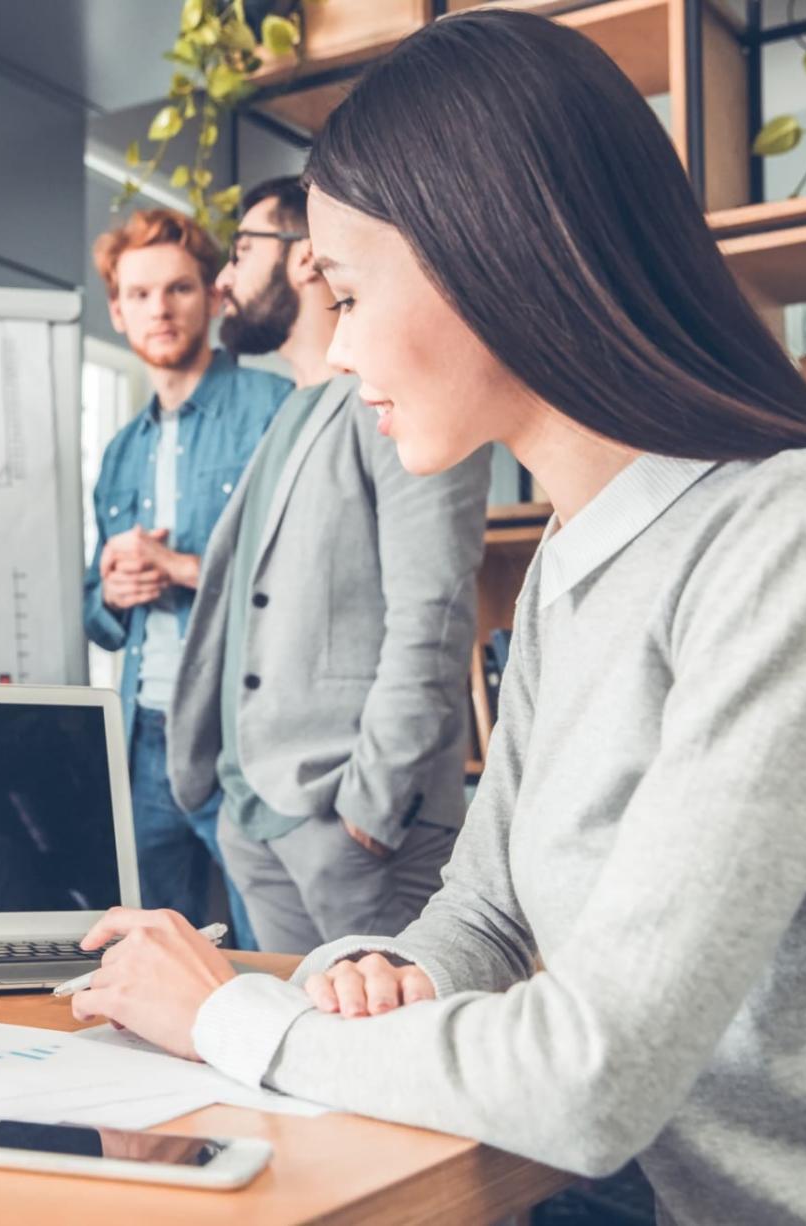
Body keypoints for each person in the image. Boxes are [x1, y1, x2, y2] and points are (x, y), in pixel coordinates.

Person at [67, 12, 806, 1223]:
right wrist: (392, 967)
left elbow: (591, 1072)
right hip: (605, 1178)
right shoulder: (577, 551)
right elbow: (486, 906)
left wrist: (229, 1014)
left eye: (351, 294)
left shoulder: (801, 530)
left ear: (491, 252)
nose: (340, 347)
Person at [168, 176, 489, 952]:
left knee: (392, 1053)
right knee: (295, 1059)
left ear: (306, 259)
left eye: (243, 252)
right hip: (253, 818)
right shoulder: (290, 412)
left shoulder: (399, 399)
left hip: (353, 826)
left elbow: (433, 612)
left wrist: (370, 814)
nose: (224, 280)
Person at [83, 208, 292, 952]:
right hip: (143, 731)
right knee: (153, 945)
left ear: (213, 295)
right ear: (116, 310)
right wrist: (110, 590)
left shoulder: (276, 412)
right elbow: (95, 613)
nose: (159, 310)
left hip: (242, 732)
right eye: (138, 295)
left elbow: (303, 582)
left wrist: (183, 569)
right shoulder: (118, 452)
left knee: (273, 945)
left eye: (177, 289)